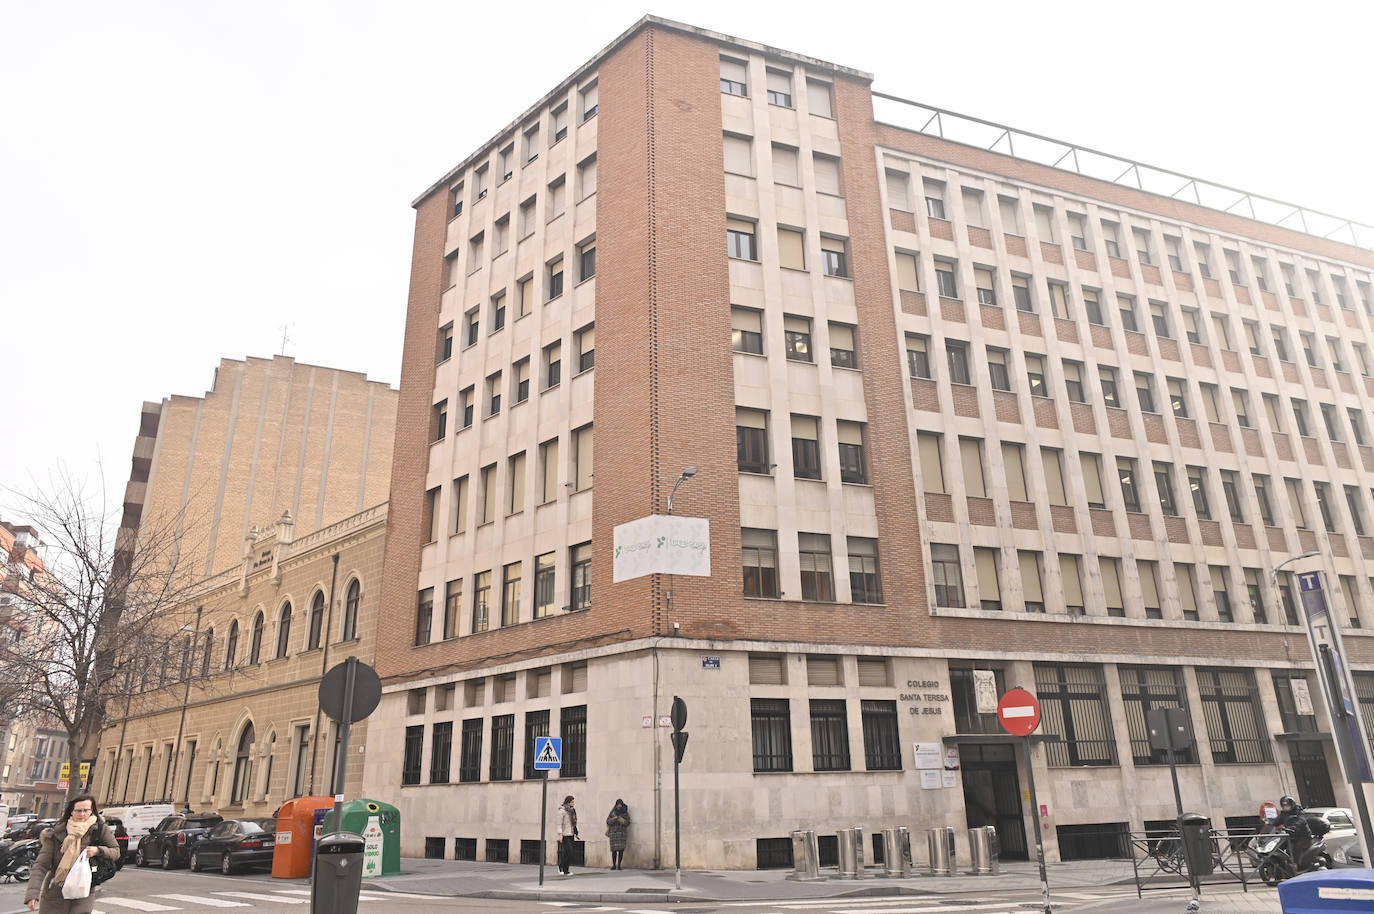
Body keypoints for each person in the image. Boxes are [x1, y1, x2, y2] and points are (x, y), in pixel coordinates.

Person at [25, 794, 121, 914]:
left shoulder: (100, 829)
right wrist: (32, 895)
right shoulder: (56, 832)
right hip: (56, 889)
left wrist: (98, 850)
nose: (82, 814)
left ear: (92, 811)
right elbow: (41, 865)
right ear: (71, 811)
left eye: (86, 810)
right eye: (78, 811)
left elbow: (116, 851)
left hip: (83, 889)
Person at [1275, 795, 1312, 866]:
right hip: (1290, 836)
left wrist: (1294, 827)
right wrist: (1269, 823)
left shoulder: (1299, 812)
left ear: (1292, 805)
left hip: (1302, 836)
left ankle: (1297, 865)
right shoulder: (1283, 813)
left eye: (1287, 805)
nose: (1286, 807)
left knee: (1296, 848)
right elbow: (1277, 821)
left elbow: (1301, 821)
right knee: (1278, 846)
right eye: (1284, 806)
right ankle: (1283, 863)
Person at [556, 795, 579, 875]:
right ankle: (560, 866)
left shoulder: (572, 811)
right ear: (568, 802)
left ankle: (566, 869)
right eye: (572, 802)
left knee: (568, 853)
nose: (573, 803)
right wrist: (560, 835)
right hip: (565, 834)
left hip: (571, 833)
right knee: (569, 851)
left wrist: (576, 832)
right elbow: (559, 824)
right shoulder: (562, 811)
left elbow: (574, 823)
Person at [605, 799, 630, 870]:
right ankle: (613, 865)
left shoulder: (625, 813)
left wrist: (622, 820)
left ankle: (619, 865)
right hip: (614, 834)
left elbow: (628, 823)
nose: (619, 806)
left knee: (621, 850)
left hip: (622, 833)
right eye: (618, 804)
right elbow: (608, 821)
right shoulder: (612, 812)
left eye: (620, 804)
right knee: (614, 850)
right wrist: (614, 819)